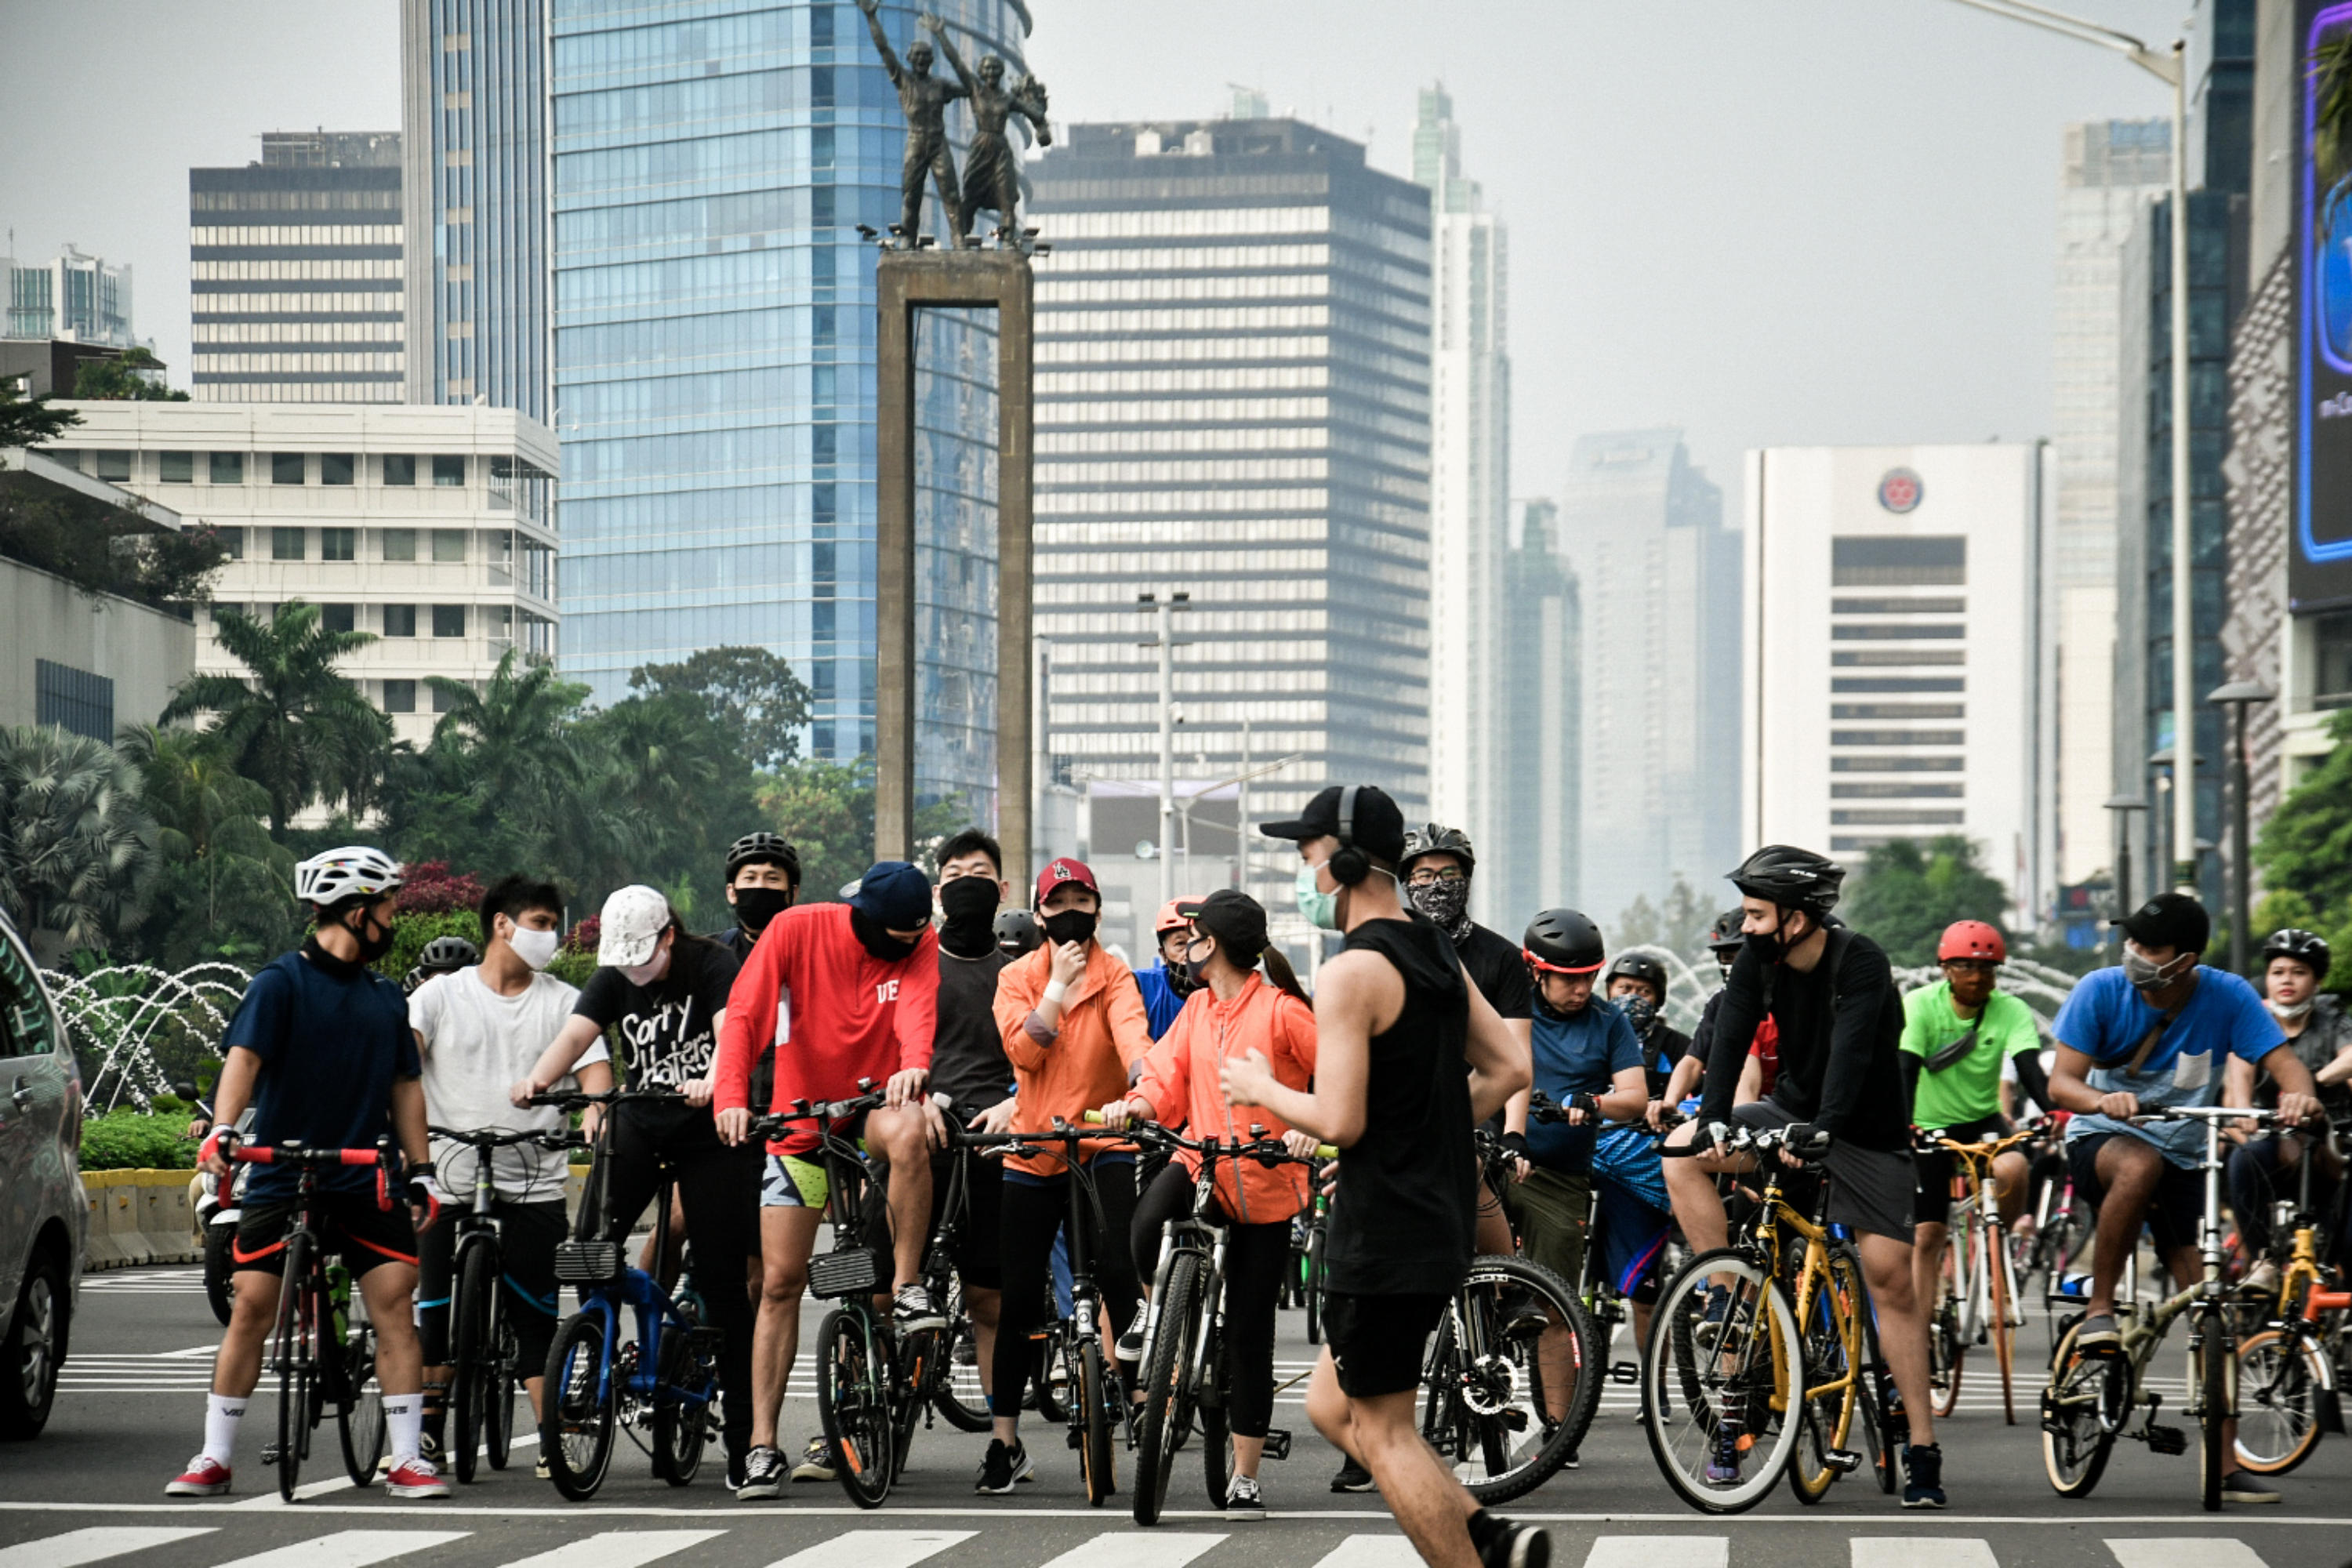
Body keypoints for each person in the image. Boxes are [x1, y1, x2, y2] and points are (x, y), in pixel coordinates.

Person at [1221, 784, 1547, 1568]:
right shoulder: (1436, 948)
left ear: (1342, 859)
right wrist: (1428, 1127)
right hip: (1437, 1218)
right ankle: (1489, 1531)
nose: (1303, 876)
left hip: (1384, 1228)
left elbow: (1341, 1121)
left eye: (1306, 856)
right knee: (1335, 1405)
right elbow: (1509, 1066)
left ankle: (1479, 1557)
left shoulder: (1351, 970)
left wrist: (1260, 1088)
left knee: (1383, 1429)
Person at [1662, 844, 1946, 1508]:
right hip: (1792, 1112)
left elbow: (1850, 1054)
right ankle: (1728, 1281)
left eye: (1757, 913)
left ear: (1797, 916)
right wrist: (1710, 1121)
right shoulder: (1758, 962)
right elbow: (1730, 1036)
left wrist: (1823, 1130)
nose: (1747, 925)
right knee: (1680, 1151)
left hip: (1866, 1135)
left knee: (1891, 1285)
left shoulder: (1861, 960)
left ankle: (1924, 1448)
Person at [169, 847, 448, 1500]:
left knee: (394, 1306)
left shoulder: (386, 1000)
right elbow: (243, 1061)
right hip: (280, 1173)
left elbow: (406, 1090)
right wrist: (222, 1129)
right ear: (357, 913)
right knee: (252, 1308)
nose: (391, 920)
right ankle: (214, 1456)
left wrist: (423, 1170)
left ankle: (406, 1459)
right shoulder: (280, 983)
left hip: (360, 1174)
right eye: (386, 908)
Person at [2049, 891, 2323, 1508]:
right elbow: (2062, 1081)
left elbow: (2287, 1067)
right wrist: (2102, 1101)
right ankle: (2099, 1309)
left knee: (2213, 1306)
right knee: (2139, 1162)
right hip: (2103, 1141)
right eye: (2134, 944)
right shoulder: (2099, 989)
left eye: (2151, 949)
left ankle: (2226, 1464)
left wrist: (2300, 1097)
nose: (2136, 957)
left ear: (2185, 960)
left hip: (2186, 1156)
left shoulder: (2227, 996)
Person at [510, 885, 759, 1490]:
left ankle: (746, 1441)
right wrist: (537, 1080)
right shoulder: (615, 974)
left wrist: (713, 1079)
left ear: (668, 936)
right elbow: (575, 1037)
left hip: (706, 1127)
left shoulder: (710, 963)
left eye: (643, 958)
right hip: (640, 1120)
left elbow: (734, 1032)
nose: (634, 974)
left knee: (725, 1281)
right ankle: (591, 1346)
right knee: (591, 1249)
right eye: (623, 962)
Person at [712, 861, 939, 1499]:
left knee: (911, 1129)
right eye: (888, 937)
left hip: (870, 1114)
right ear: (858, 914)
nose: (900, 948)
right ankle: (761, 1446)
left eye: (909, 939)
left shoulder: (919, 943)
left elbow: (917, 1012)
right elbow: (745, 1016)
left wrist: (914, 1068)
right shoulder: (795, 929)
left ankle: (909, 1281)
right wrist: (731, 1096)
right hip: (801, 1129)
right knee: (781, 1283)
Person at [1102, 888, 1317, 1519]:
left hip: (1267, 1183)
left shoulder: (1282, 1011)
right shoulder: (1196, 1008)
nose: (1187, 945)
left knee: (1251, 1334)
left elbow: (1338, 1072)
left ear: (1213, 944)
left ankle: (1246, 1476)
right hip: (1200, 1161)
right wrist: (1134, 1105)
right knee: (1143, 1231)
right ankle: (1157, 1317)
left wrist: (1313, 1121)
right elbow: (1164, 1079)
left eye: (1194, 935)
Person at [412, 875, 613, 1479]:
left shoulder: (564, 1001)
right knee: (437, 1309)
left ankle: (551, 1434)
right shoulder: (439, 996)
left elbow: (596, 1074)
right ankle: (426, 1430)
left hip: (535, 1177)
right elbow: (403, 1061)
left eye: (554, 924)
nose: (550, 936)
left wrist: (597, 1116)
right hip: (446, 1177)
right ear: (503, 924)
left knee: (534, 1313)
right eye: (541, 924)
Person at [979, 855, 1154, 1494]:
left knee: (1116, 1271)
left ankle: (1141, 1396)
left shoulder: (1116, 976)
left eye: (1082, 901)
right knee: (1019, 1297)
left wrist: (1141, 1091)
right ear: (1040, 913)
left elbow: (1135, 1041)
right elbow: (1023, 1050)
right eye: (1057, 904)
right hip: (1033, 1149)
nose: (1071, 914)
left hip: (1104, 1141)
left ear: (1098, 909)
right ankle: (1003, 1441)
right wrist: (1055, 986)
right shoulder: (1017, 978)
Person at [1383, 822, 1531, 1494]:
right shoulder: (1386, 954)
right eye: (1422, 876)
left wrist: (1513, 1136)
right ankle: (1372, 1438)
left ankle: (1503, 1305)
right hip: (1401, 1120)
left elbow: (1514, 1061)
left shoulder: (1501, 959)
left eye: (1449, 875)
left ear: (1469, 878)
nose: (1436, 887)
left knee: (1486, 1214)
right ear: (1402, 882)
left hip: (1472, 1116)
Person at [1503, 912, 1664, 1368]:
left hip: (1560, 1177)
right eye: (1569, 980)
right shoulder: (1510, 1008)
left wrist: (1594, 1103)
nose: (1582, 989)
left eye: (1590, 977)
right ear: (1536, 970)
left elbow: (1634, 1097)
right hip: (1499, 1158)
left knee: (1558, 1305)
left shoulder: (1609, 1021)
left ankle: (1559, 1431)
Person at [918, 829, 1021, 1478]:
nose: (967, 882)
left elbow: (1045, 1054)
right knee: (874, 1288)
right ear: (936, 892)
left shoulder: (1020, 970)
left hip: (995, 1140)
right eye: (954, 873)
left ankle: (1004, 1442)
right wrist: (916, 1098)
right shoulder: (911, 963)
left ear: (1003, 889)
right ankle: (851, 1418)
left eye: (979, 873)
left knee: (989, 1299)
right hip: (919, 1132)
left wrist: (1019, 1101)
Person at [1900, 920, 2049, 1329]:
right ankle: (1921, 1328)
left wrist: (2053, 1110)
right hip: (1926, 1124)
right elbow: (1905, 1070)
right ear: (1946, 968)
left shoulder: (2011, 1010)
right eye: (1966, 966)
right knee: (1927, 1234)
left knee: (2015, 1168)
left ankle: (1994, 1242)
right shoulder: (1919, 1004)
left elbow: (2030, 1070)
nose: (1978, 977)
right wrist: (1905, 1124)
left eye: (1988, 968)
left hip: (1982, 1121)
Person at [2228, 929, 2352, 1291]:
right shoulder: (2253, 1023)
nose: (2287, 980)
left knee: (2347, 1246)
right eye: (2278, 971)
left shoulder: (2334, 1019)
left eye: (2299, 972)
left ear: (2316, 981)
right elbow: (2240, 1088)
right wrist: (2244, 1116)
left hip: (2333, 1148)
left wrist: (2311, 1083)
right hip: (2276, 1144)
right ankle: (2262, 1260)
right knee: (2243, 1160)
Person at [1656, 909, 1777, 1125]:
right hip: (1737, 1106)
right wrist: (1670, 1102)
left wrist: (1739, 1121)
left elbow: (1747, 1080)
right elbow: (1693, 1062)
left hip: (1780, 1107)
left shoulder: (1783, 1001)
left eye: (1741, 956)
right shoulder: (1720, 1002)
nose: (1735, 966)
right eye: (1727, 958)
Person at [1604, 950, 1693, 1102]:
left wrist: (1674, 1110)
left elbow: (1705, 1092)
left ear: (1659, 999)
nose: (1633, 997)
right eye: (1625, 988)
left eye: (1645, 991)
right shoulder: (1587, 1035)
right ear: (1609, 991)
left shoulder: (1677, 1045)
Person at [1134, 899, 1199, 1040]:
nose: (1190, 952)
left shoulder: (1227, 991)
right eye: (1180, 944)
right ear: (1164, 955)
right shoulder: (1139, 986)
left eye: (1199, 941)